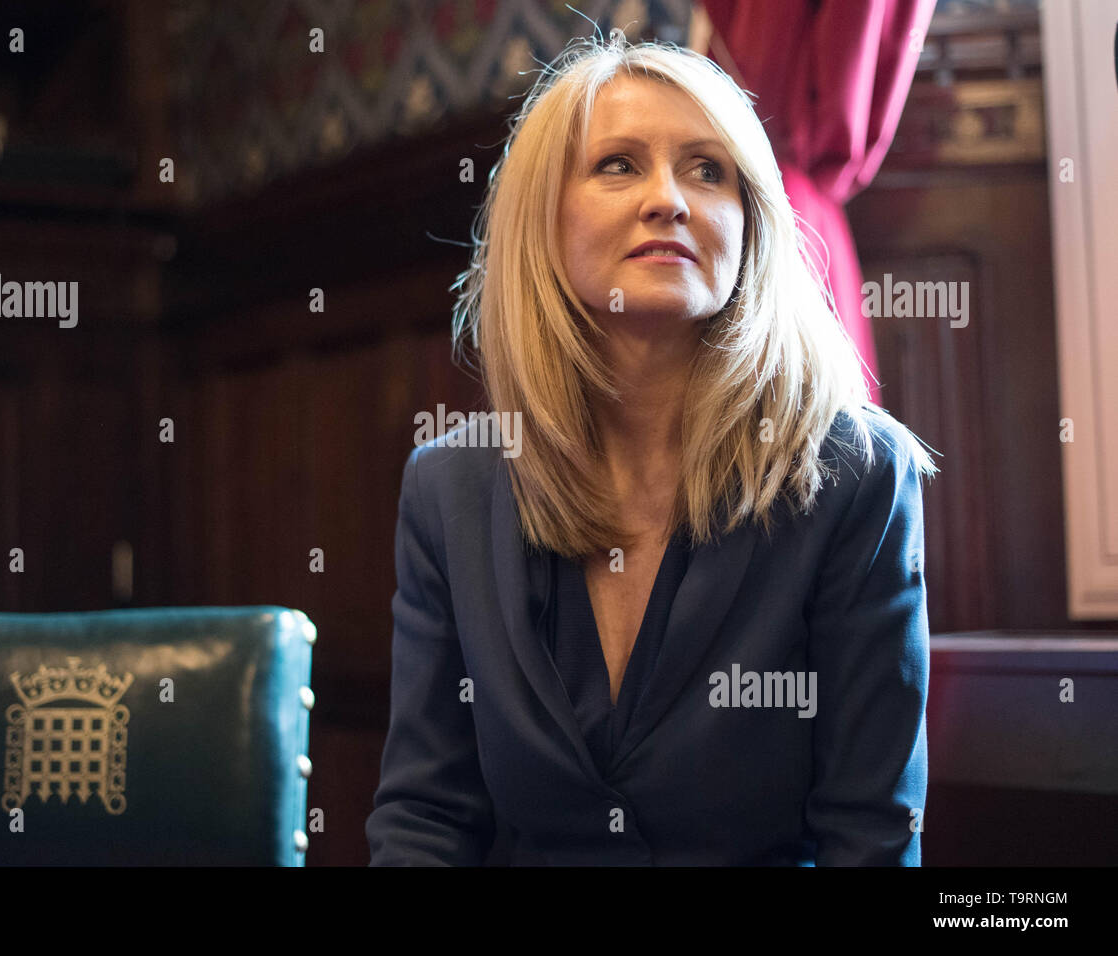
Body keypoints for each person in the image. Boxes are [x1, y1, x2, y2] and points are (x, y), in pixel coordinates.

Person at [366, 33, 938, 866]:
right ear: (542, 219)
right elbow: (426, 820)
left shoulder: (856, 475)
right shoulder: (449, 485)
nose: (669, 199)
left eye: (709, 169)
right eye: (618, 165)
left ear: (751, 222)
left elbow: (872, 838)